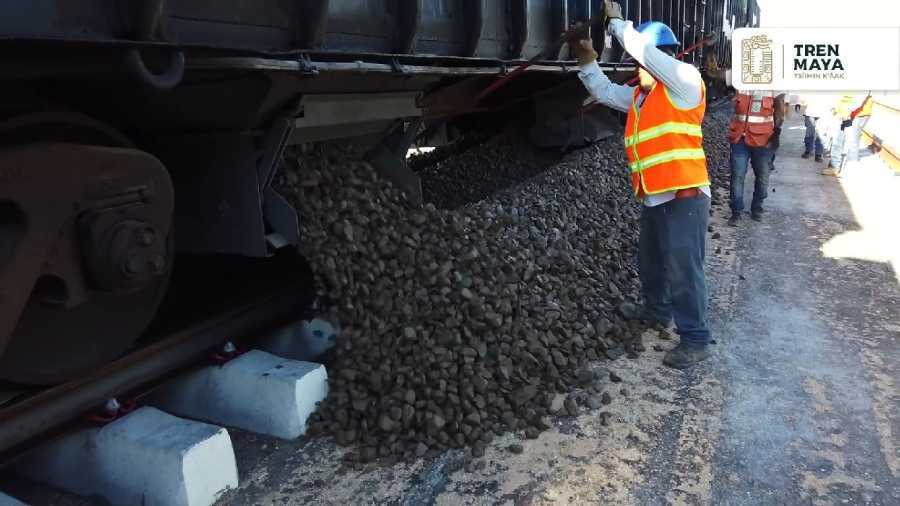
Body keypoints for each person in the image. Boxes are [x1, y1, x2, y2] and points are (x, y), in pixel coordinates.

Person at [572, 1, 712, 369]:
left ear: (661, 57)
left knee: (684, 267)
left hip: (686, 196)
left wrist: (617, 24)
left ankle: (695, 338)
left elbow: (642, 49)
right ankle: (655, 313)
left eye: (644, 61)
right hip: (654, 198)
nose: (639, 68)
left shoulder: (685, 81)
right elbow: (602, 90)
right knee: (651, 263)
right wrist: (586, 59)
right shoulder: (638, 98)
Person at [727, 90, 784, 225]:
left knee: (762, 176)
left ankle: (757, 208)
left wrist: (776, 134)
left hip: (764, 140)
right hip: (740, 138)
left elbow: (780, 112)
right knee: (737, 175)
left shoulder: (774, 86)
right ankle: (736, 211)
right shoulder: (740, 80)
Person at [822, 93, 873, 176]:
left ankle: (851, 169)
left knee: (852, 142)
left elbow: (861, 96)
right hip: (842, 113)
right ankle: (834, 167)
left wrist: (848, 111)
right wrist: (833, 108)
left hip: (858, 114)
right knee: (837, 139)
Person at [801, 94, 831, 162]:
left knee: (821, 135)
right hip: (810, 113)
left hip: (824, 114)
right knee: (809, 133)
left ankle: (818, 154)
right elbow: (803, 100)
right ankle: (808, 151)